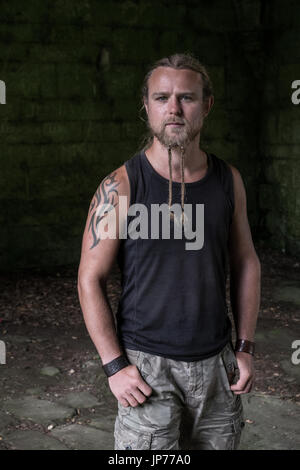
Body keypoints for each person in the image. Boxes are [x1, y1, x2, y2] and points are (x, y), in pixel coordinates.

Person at [77, 53, 261, 450]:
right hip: (147, 368)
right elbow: (89, 278)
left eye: (187, 98)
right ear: (146, 106)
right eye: (161, 98)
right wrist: (115, 366)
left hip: (216, 365)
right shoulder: (120, 185)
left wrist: (244, 348)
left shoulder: (229, 181)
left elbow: (246, 262)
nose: (173, 108)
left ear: (206, 105)